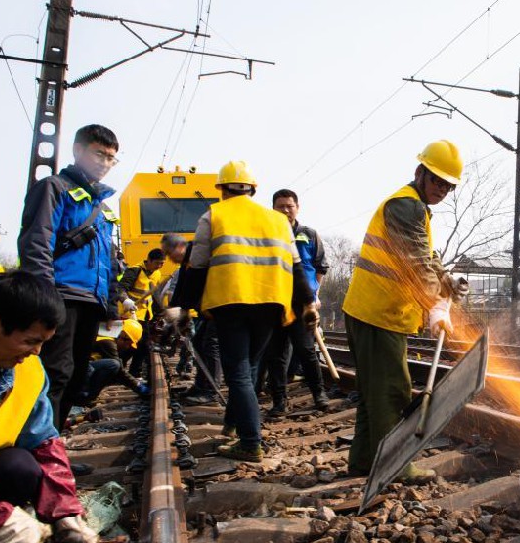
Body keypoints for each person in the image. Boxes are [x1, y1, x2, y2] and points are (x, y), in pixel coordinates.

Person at [342, 140, 469, 481]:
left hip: (375, 312)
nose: (441, 189)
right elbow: (415, 263)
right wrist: (435, 306)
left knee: (374, 392)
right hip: (377, 313)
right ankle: (395, 465)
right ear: (420, 172)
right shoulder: (405, 206)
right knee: (392, 390)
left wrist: (446, 283)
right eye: (436, 181)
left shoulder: (415, 207)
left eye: (447, 185)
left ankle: (365, 460)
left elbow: (428, 258)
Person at [178, 161, 318, 462]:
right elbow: (295, 267)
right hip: (271, 304)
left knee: (239, 371)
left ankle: (250, 441)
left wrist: (184, 308)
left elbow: (197, 265)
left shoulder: (214, 215)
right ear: (253, 189)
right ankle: (233, 424)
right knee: (249, 367)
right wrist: (307, 303)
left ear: (222, 189)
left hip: (231, 302)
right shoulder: (277, 220)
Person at [0, 271, 99, 543]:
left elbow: (44, 443)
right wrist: (3, 523)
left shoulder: (27, 369)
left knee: (20, 467)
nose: (36, 352)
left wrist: (65, 512)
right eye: (31, 341)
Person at [18, 124, 123, 429]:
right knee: (55, 373)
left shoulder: (102, 207)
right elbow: (38, 241)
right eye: (99, 154)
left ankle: (52, 447)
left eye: (111, 159)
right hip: (61, 294)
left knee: (76, 376)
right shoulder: (55, 188)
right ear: (78, 151)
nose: (104, 163)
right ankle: (37, 453)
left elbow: (109, 260)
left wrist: (111, 302)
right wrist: (44, 295)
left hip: (91, 300)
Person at [262, 188, 331, 417]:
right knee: (276, 355)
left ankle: (319, 395)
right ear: (273, 209)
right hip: (275, 303)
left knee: (306, 351)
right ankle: (279, 402)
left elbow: (320, 266)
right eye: (280, 206)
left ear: (297, 207)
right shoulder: (266, 235)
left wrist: (314, 294)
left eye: (289, 206)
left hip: (302, 304)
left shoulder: (309, 234)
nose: (285, 210)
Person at [159, 233, 221, 405]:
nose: (169, 258)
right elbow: (181, 288)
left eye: (169, 253)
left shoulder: (197, 254)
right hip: (208, 309)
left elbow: (196, 283)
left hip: (219, 306)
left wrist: (183, 309)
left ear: (179, 247)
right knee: (200, 343)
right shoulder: (186, 263)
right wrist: (176, 308)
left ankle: (210, 391)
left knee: (211, 346)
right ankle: (201, 386)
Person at [74, 319, 148, 406]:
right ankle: (84, 396)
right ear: (124, 336)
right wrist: (138, 386)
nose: (128, 347)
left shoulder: (107, 337)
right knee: (114, 365)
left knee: (115, 365)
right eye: (129, 343)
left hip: (80, 368)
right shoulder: (108, 344)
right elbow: (120, 371)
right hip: (79, 370)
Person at [119, 248, 165, 379]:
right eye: (157, 263)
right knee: (133, 345)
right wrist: (125, 300)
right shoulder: (135, 270)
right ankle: (127, 370)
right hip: (131, 314)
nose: (159, 266)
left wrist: (161, 312)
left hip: (145, 315)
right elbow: (120, 288)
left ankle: (133, 372)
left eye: (162, 263)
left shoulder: (157, 273)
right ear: (149, 260)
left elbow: (154, 294)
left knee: (143, 346)